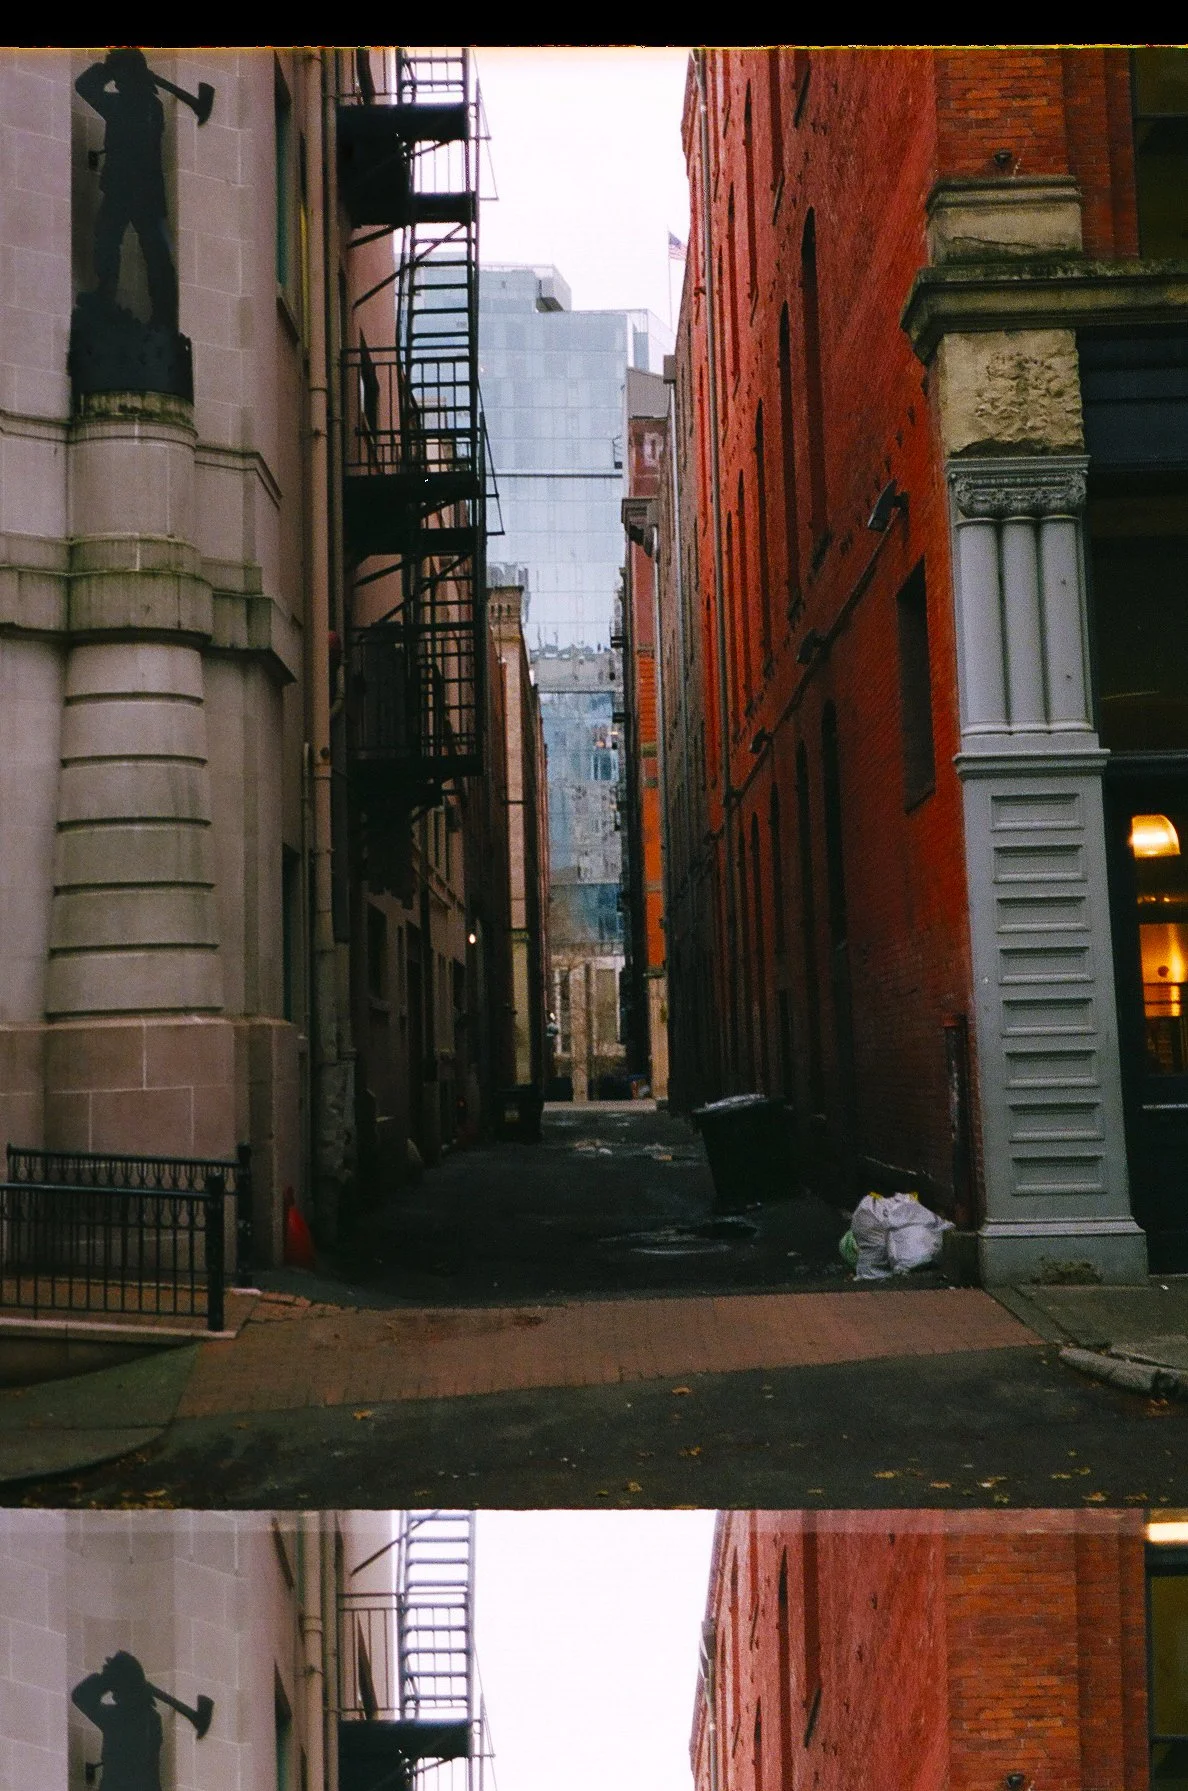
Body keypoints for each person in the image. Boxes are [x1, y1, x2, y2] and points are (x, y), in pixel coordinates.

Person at [75, 48, 178, 330]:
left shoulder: (140, 106)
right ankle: (107, 295)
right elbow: (83, 86)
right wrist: (107, 69)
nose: (116, 82)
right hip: (127, 189)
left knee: (152, 252)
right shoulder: (135, 104)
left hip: (138, 190)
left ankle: (162, 312)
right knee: (108, 241)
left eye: (119, 74)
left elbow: (86, 87)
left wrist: (108, 71)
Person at [72, 1651, 164, 1791]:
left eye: (116, 1688)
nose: (115, 1695)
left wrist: (104, 1680)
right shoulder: (147, 1718)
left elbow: (81, 1696)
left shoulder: (121, 1718)